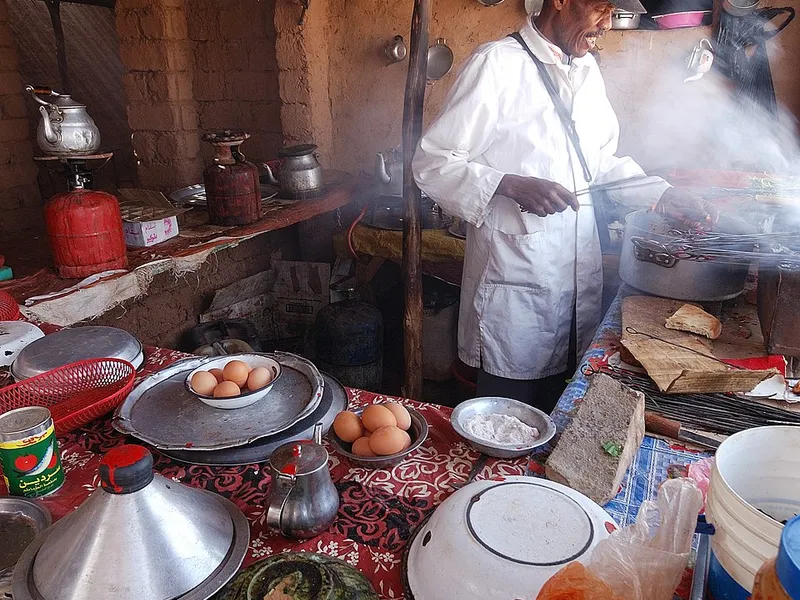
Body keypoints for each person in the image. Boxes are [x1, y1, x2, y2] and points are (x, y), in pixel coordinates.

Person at [412, 0, 716, 412]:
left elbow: (601, 163)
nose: (607, 23)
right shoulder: (497, 65)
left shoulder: (586, 69)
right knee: (508, 420)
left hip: (575, 291)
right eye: (601, 7)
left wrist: (661, 194)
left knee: (563, 410)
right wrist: (509, 184)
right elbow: (432, 162)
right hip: (515, 293)